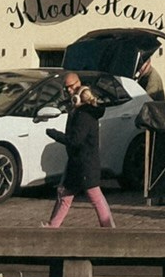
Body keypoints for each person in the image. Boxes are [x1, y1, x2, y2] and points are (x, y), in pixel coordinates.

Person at [46, 74, 116, 230]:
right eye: (66, 88)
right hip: (78, 161)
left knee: (95, 196)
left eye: (71, 87)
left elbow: (75, 140)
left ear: (79, 85)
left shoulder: (84, 114)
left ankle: (109, 230)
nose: (68, 91)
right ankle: (52, 227)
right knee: (65, 195)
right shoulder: (80, 111)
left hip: (85, 163)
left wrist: (55, 135)